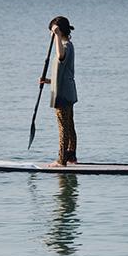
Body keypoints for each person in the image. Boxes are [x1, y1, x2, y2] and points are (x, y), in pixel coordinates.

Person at [39, 16, 78, 166]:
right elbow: (63, 71)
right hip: (67, 90)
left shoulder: (65, 46)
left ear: (59, 30)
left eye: (53, 31)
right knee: (69, 125)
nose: (50, 34)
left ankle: (62, 160)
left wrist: (56, 35)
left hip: (63, 94)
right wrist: (48, 81)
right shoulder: (68, 45)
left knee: (63, 126)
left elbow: (61, 56)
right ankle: (71, 156)